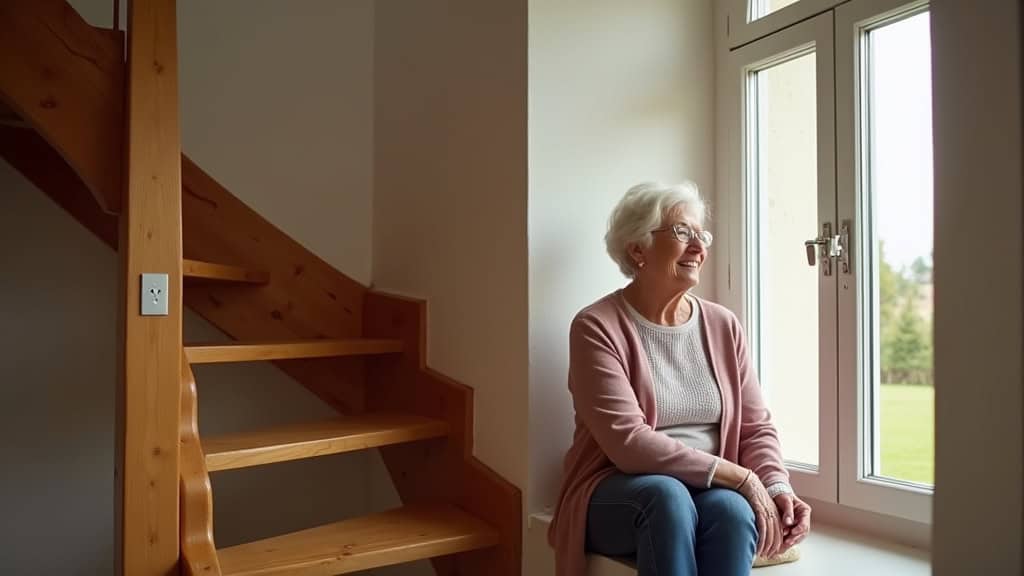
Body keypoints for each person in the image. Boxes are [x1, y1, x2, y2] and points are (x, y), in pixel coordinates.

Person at [548, 182, 812, 576]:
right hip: (617, 491)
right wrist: (740, 476)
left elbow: (755, 427)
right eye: (682, 232)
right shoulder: (596, 326)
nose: (698, 246)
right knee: (666, 496)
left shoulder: (723, 325)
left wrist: (776, 487)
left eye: (701, 235)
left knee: (732, 510)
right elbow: (628, 443)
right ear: (637, 250)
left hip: (704, 492)